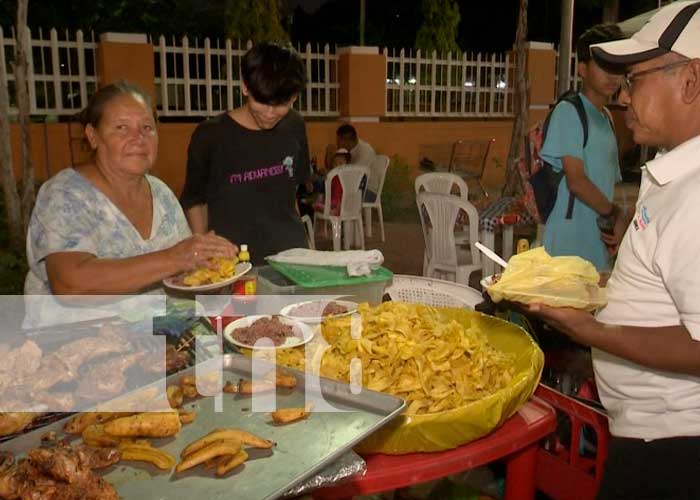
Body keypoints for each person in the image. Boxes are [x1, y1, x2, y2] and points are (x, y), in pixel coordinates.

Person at [532, 2, 700, 498]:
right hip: (647, 433)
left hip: (673, 446)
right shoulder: (673, 170)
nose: (625, 98)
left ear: (690, 81)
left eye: (637, 79)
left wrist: (591, 329)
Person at [24, 81, 237, 325]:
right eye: (121, 128)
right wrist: (176, 258)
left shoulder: (161, 193)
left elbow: (185, 273)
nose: (138, 138)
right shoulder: (65, 195)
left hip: (158, 337)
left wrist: (212, 265)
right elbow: (70, 284)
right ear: (93, 136)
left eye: (147, 127)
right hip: (76, 346)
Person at [181, 42, 310, 266]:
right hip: (231, 263)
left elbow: (292, 194)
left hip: (291, 260)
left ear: (294, 97)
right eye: (261, 101)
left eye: (280, 104)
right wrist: (203, 251)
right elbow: (194, 200)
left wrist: (304, 251)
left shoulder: (295, 125)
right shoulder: (210, 135)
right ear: (244, 87)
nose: (270, 113)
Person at [541, 24, 625, 272]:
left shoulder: (607, 117)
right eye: (604, 65)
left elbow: (607, 182)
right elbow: (576, 181)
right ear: (582, 69)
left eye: (617, 67)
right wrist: (615, 213)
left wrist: (616, 220)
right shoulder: (568, 112)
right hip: (568, 245)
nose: (613, 75)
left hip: (596, 242)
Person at [325, 124, 378, 201]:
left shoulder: (365, 150)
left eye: (338, 141)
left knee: (338, 193)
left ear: (345, 140)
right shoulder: (348, 152)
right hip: (355, 188)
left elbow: (354, 176)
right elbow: (334, 168)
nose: (337, 144)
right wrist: (330, 156)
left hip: (368, 190)